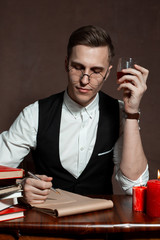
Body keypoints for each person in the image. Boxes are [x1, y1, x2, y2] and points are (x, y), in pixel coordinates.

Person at [0, 25, 149, 204]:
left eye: (95, 71)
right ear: (66, 64)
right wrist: (20, 189)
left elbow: (135, 187)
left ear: (108, 73)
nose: (85, 80)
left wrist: (131, 114)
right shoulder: (34, 114)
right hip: (47, 227)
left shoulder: (119, 114)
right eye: (78, 67)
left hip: (100, 226)